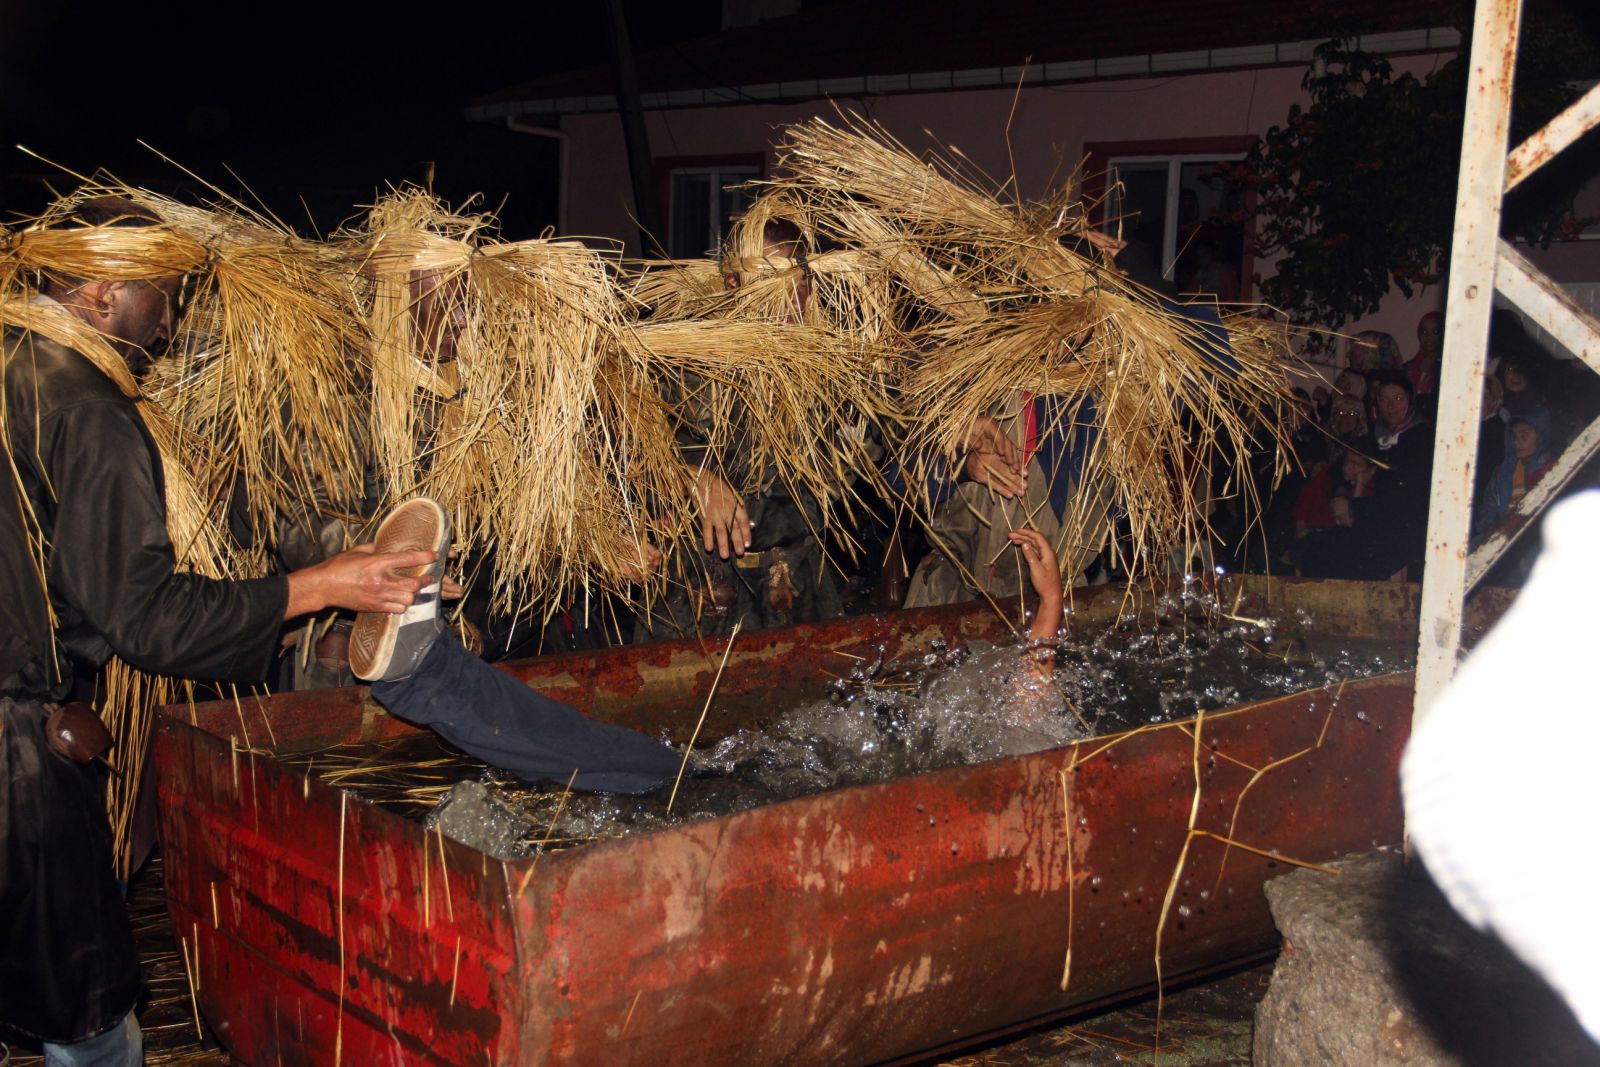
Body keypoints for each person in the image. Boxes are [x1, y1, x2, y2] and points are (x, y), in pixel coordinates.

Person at [0, 199, 438, 1064]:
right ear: (101, 294)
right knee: (90, 1026)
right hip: (14, 767)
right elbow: (147, 617)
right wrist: (319, 586)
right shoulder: (87, 409)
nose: (169, 321)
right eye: (160, 293)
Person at [352, 498, 690, 792]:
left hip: (537, 634)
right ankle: (418, 667)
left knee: (582, 757)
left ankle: (419, 669)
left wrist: (602, 541)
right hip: (501, 630)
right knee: (607, 759)